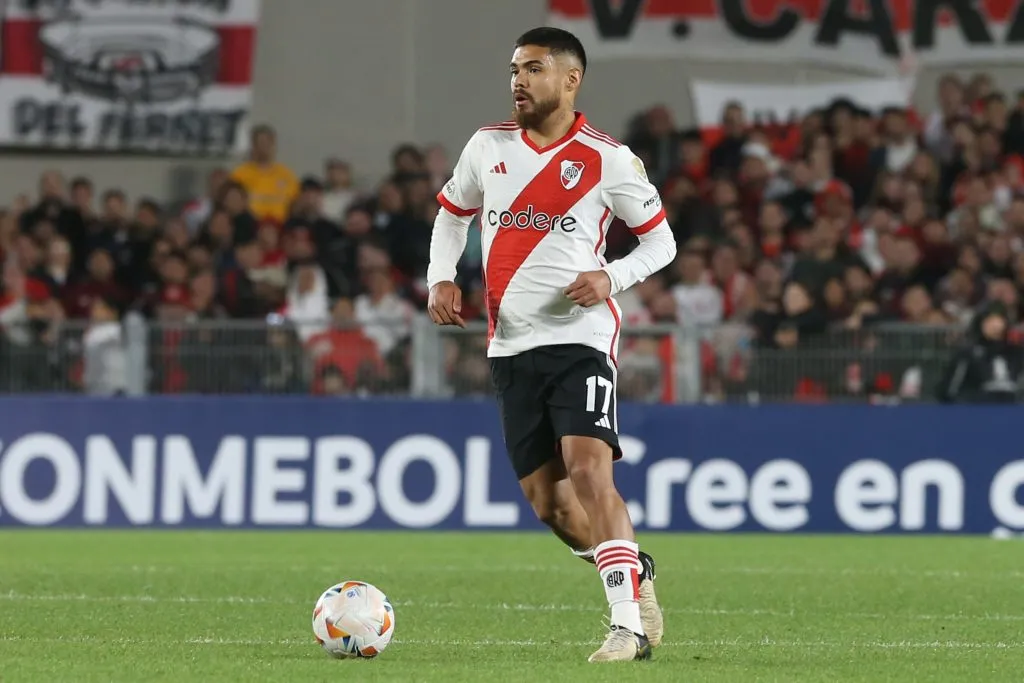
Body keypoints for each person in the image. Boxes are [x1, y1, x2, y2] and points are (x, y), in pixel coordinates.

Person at [425, 27, 676, 662]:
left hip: (580, 339)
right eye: (514, 69)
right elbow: (453, 214)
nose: (518, 80)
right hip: (510, 346)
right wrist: (441, 277)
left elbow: (661, 242)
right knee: (552, 507)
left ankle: (628, 627)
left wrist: (609, 276)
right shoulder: (487, 146)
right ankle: (632, 569)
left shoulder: (606, 158)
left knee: (591, 471)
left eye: (533, 69)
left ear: (570, 79)